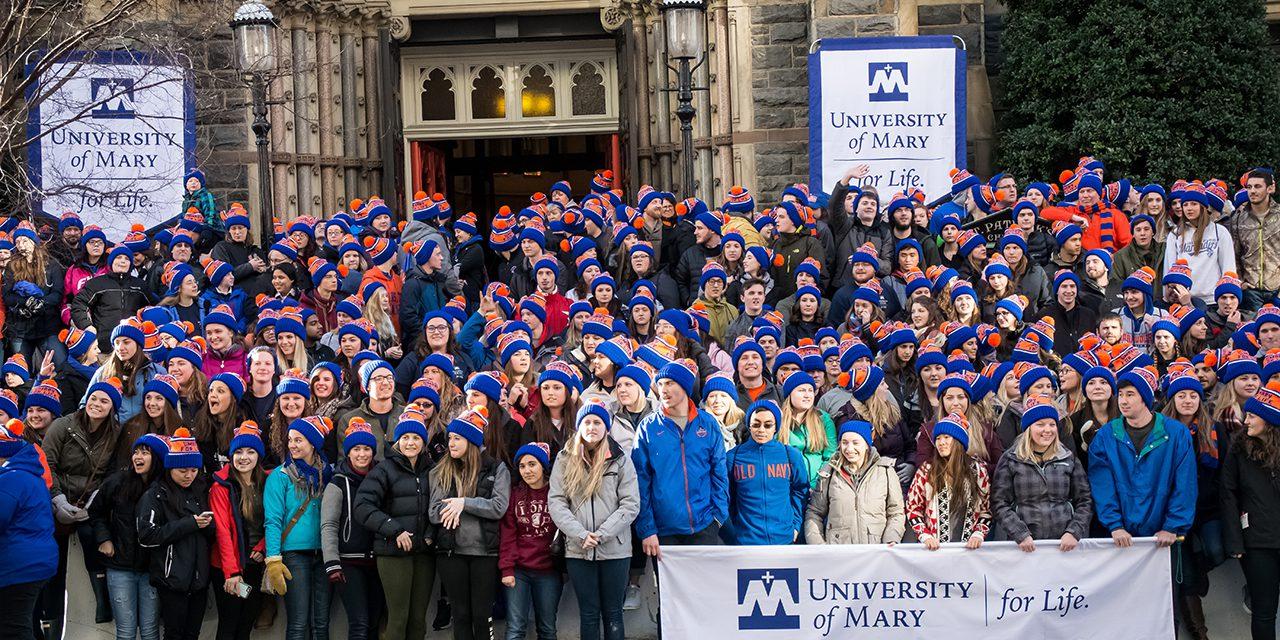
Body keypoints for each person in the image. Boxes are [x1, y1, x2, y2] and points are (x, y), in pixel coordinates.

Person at [549, 400, 639, 640]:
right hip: (578, 550)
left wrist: (602, 534)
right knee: (588, 614)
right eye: (586, 422)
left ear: (606, 428)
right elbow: (557, 503)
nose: (592, 426)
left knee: (613, 613)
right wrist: (580, 534)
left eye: (597, 422)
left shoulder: (620, 459)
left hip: (615, 550)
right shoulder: (565, 459)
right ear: (579, 426)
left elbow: (630, 504)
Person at [44, 375, 125, 626]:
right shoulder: (62, 425)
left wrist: (93, 502)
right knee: (51, 548)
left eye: (104, 400)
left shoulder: (117, 435)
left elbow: (113, 474)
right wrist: (57, 499)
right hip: (57, 496)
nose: (96, 403)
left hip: (91, 500)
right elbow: (47, 464)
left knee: (94, 533)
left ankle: (102, 599)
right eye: (93, 398)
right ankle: (50, 616)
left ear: (112, 407)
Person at [1088, 366, 1196, 550]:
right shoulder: (1105, 436)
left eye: (1130, 394)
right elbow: (1102, 485)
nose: (1123, 400)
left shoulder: (1177, 433)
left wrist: (1172, 526)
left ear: (1145, 398)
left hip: (1165, 536)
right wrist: (1115, 525)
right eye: (1120, 394)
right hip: (1120, 537)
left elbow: (1185, 484)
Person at [632, 358, 729, 554]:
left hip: (704, 526)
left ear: (685, 386)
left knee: (703, 585)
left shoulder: (707, 423)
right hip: (663, 531)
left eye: (669, 383)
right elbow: (640, 480)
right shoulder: (648, 427)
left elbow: (719, 472)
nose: (663, 389)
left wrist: (718, 516)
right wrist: (647, 529)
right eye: (660, 384)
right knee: (667, 586)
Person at [355, 410, 437, 640]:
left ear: (423, 442)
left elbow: (439, 507)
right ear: (398, 440)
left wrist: (430, 535)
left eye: (416, 438)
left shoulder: (432, 470)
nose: (411, 442)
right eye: (406, 437)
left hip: (424, 553)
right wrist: (395, 529)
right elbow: (362, 506)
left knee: (418, 621)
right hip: (393, 552)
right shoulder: (384, 469)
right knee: (398, 619)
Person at [430, 406, 510, 640]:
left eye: (457, 438)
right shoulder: (440, 471)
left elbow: (498, 507)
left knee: (482, 616)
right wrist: (453, 505)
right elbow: (434, 513)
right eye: (450, 438)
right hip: (451, 553)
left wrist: (464, 503)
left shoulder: (497, 468)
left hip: (484, 553)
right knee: (461, 615)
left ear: (472, 440)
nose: (451, 443)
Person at [137, 428, 213, 640]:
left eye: (193, 470)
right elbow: (146, 535)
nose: (189, 475)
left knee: (192, 634)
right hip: (172, 581)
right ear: (170, 468)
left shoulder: (202, 490)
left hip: (199, 581)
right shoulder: (156, 494)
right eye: (183, 471)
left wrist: (208, 526)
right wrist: (190, 524)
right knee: (174, 634)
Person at [89, 431, 165, 640]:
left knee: (150, 630)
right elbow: (95, 511)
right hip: (120, 566)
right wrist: (104, 538)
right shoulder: (117, 482)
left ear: (157, 457)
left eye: (145, 453)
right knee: (125, 631)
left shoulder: (165, 487)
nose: (138, 457)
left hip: (152, 568)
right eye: (136, 452)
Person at [263, 416, 334, 640]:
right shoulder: (280, 476)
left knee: (321, 623)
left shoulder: (329, 474)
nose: (292, 445)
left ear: (313, 443)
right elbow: (273, 520)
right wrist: (273, 558)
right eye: (290, 440)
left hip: (324, 554)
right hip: (294, 555)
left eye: (299, 440)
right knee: (298, 624)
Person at [991, 394, 1092, 550]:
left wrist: (1074, 531)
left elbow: (1084, 500)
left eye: (1052, 424)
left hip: (1063, 545)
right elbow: (999, 503)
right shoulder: (1011, 459)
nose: (1047, 430)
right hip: (1023, 546)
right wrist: (1020, 533)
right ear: (1028, 428)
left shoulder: (1068, 457)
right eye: (1040, 424)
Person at [1222, 379, 1280, 640]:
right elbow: (1228, 494)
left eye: (1253, 415)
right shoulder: (1238, 449)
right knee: (1264, 612)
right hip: (1258, 543)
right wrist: (1235, 541)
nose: (1246, 421)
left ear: (1269, 420)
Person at [320, 420, 382, 640]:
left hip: (377, 560)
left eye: (366, 449)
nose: (362, 454)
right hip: (348, 562)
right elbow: (329, 524)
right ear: (348, 452)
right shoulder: (337, 483)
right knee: (360, 623)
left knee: (375, 621)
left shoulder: (381, 478)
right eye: (356, 449)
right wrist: (332, 562)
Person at [209, 423, 269, 640]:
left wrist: (263, 547)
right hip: (228, 567)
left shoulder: (267, 481)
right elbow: (222, 531)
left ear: (258, 456)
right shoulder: (221, 486)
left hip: (254, 564)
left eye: (251, 452)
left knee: (246, 622)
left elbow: (275, 521)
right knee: (229, 623)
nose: (244, 457)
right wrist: (232, 573)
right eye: (239, 452)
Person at [0, 421, 57, 640]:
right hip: (29, 563)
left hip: (19, 566)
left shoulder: (13, 478)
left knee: (13, 629)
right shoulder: (26, 474)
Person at [724, 400, 809, 545]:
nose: (761, 430)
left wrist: (795, 525)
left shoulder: (791, 455)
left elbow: (801, 491)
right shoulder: (734, 457)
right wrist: (734, 531)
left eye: (768, 425)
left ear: (776, 427)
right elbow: (727, 497)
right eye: (756, 424)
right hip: (746, 542)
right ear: (749, 426)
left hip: (784, 539)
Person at [501, 442, 562, 640]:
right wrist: (507, 569)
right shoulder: (515, 494)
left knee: (547, 628)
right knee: (515, 628)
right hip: (519, 571)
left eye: (532, 464)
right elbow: (508, 534)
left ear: (543, 466)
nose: (527, 470)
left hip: (549, 571)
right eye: (522, 466)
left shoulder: (556, 493)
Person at [906, 412, 991, 549]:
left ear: (958, 441)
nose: (941, 442)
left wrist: (978, 534)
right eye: (938, 438)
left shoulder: (978, 470)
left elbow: (986, 510)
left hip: (969, 551)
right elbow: (913, 508)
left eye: (946, 437)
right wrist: (925, 535)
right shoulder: (927, 470)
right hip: (935, 551)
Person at [1165, 182, 1236, 305]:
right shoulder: (1175, 234)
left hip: (1213, 299)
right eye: (1185, 205)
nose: (1189, 208)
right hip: (1184, 299)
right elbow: (1170, 269)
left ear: (1203, 207)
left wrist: (1228, 298)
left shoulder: (1219, 232)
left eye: (1194, 204)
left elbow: (1228, 267)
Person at [1228, 167, 1280, 311]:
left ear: (1270, 188)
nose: (1252, 191)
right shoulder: (1238, 219)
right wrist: (1240, 283)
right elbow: (1235, 255)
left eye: (1258, 186)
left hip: (1277, 289)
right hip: (1251, 291)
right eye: (1249, 187)